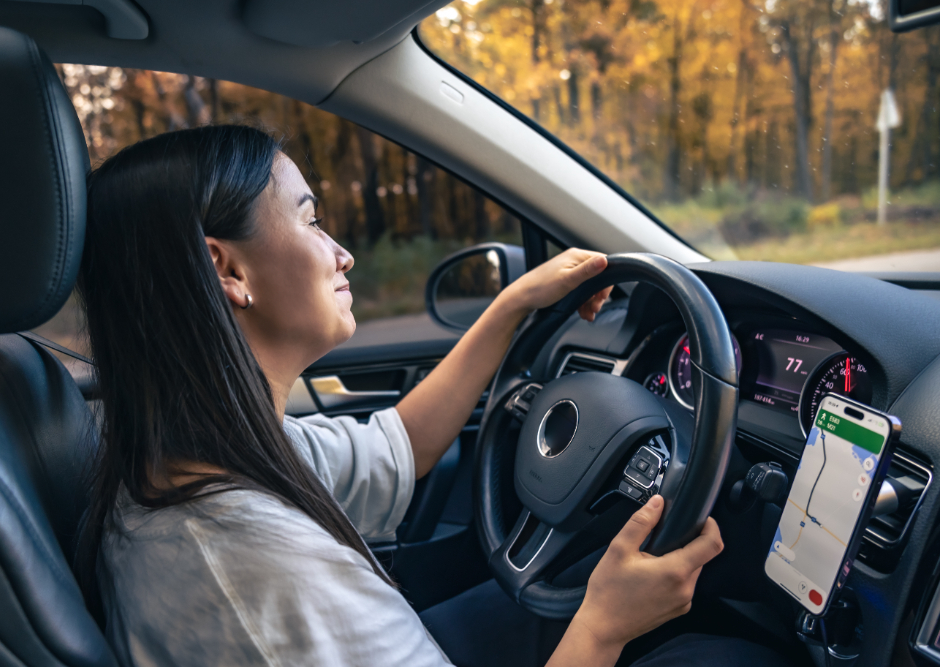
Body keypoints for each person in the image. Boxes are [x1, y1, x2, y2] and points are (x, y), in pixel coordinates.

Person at [75, 125, 788, 667]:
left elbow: (401, 447)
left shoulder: (211, 457)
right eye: (311, 219)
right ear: (226, 268)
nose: (341, 252)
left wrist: (513, 306)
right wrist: (605, 622)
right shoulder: (252, 571)